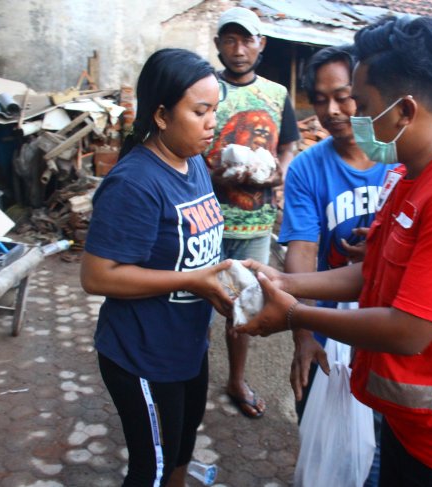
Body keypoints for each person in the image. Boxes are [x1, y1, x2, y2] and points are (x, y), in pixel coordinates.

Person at [238, 15, 432, 487]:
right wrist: (282, 282)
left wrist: (296, 315)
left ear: (403, 111)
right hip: (413, 413)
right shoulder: (410, 175)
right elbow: (370, 273)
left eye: (361, 105)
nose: (347, 117)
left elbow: (408, 330)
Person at [80, 48, 233, 487]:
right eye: (199, 111)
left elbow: (197, 248)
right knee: (152, 467)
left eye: (214, 111)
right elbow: (96, 276)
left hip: (186, 342)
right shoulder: (135, 183)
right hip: (141, 354)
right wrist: (194, 281)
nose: (211, 123)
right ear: (162, 116)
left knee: (183, 443)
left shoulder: (194, 162)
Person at [278, 44, 395, 486]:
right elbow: (302, 252)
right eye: (320, 99)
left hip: (391, 330)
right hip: (330, 337)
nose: (332, 110)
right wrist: (302, 332)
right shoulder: (309, 168)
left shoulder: (399, 158)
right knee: (328, 451)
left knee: (381, 454)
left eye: (344, 96)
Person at [204, 6, 300, 419]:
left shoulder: (277, 95)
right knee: (192, 299)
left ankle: (235, 378)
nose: (238, 49)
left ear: (261, 45)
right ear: (218, 46)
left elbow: (289, 144)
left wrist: (279, 174)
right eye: (229, 39)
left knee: (244, 303)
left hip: (256, 222)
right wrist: (213, 172)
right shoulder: (206, 89)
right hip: (204, 219)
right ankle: (183, 375)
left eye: (246, 40)